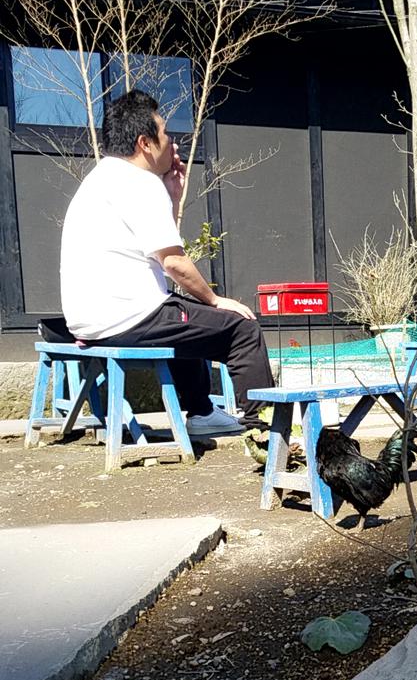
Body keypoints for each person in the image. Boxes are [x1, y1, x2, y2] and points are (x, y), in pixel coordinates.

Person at [60, 88, 274, 435]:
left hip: (90, 322)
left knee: (183, 315)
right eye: (165, 134)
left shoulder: (100, 178)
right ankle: (266, 430)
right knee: (241, 327)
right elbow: (173, 262)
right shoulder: (139, 182)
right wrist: (217, 300)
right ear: (145, 143)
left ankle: (203, 413)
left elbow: (155, 244)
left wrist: (173, 197)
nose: (172, 143)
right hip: (128, 317)